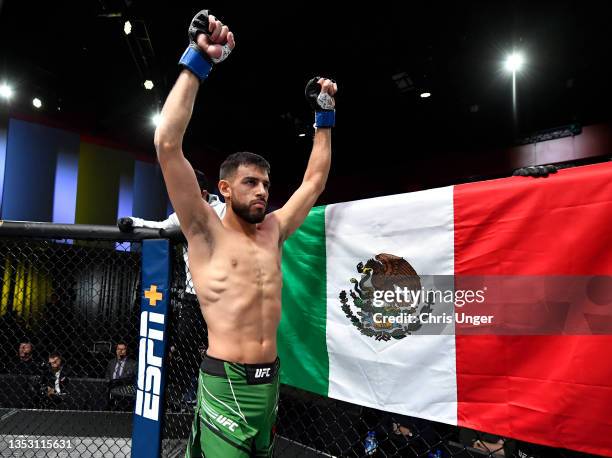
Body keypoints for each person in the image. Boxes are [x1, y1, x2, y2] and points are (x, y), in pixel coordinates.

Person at [155, 9, 337, 458]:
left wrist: (324, 118)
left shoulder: (274, 230)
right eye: (251, 183)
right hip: (225, 382)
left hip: (270, 382)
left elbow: (313, 182)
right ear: (224, 188)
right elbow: (166, 144)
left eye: (266, 185)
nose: (262, 192)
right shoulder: (205, 233)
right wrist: (198, 61)